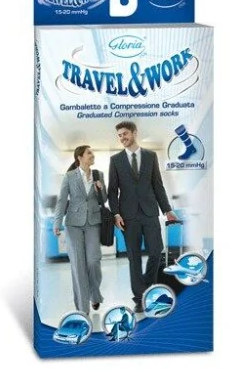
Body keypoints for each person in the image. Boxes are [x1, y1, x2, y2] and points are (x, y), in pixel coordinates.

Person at [107, 122, 178, 314]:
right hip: (128, 216)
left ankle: (148, 287)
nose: (122, 138)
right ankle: (140, 299)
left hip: (150, 212)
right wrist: (116, 213)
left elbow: (157, 185)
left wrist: (167, 209)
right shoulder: (115, 160)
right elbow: (112, 191)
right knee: (134, 257)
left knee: (156, 250)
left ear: (134, 133)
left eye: (125, 134)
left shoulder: (150, 156)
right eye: (119, 135)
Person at [53, 145, 105, 314]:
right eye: (89, 153)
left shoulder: (98, 175)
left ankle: (94, 294)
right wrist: (57, 223)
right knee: (78, 265)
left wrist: (100, 189)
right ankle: (83, 310)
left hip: (93, 223)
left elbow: (103, 200)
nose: (92, 155)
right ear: (80, 157)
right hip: (73, 224)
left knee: (93, 261)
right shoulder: (69, 176)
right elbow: (62, 200)